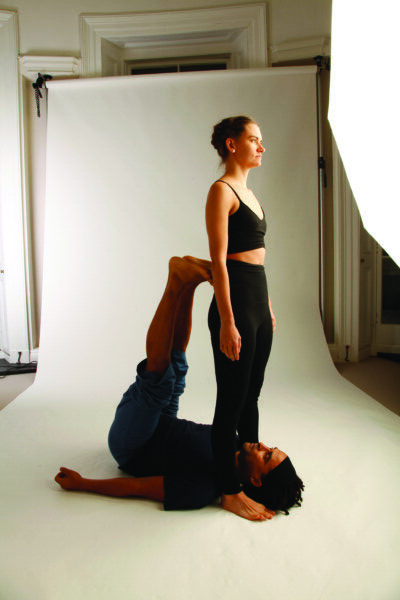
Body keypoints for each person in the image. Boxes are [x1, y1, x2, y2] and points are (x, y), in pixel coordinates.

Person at [55, 256, 303, 521]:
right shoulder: (234, 445)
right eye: (270, 447)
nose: (261, 444)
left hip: (133, 445)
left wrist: (83, 484)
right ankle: (188, 281)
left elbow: (138, 487)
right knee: (179, 365)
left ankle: (175, 282)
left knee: (159, 384)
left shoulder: (204, 488)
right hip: (164, 422)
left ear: (255, 480)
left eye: (266, 456)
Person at [206, 116, 276, 520]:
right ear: (232, 145)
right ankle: (229, 491)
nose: (261, 147)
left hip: (257, 300)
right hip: (235, 305)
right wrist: (228, 322)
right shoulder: (222, 191)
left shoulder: (250, 192)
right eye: (254, 140)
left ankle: (249, 469)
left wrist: (267, 307)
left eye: (261, 141)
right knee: (231, 400)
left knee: (252, 394)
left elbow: (257, 258)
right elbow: (219, 261)